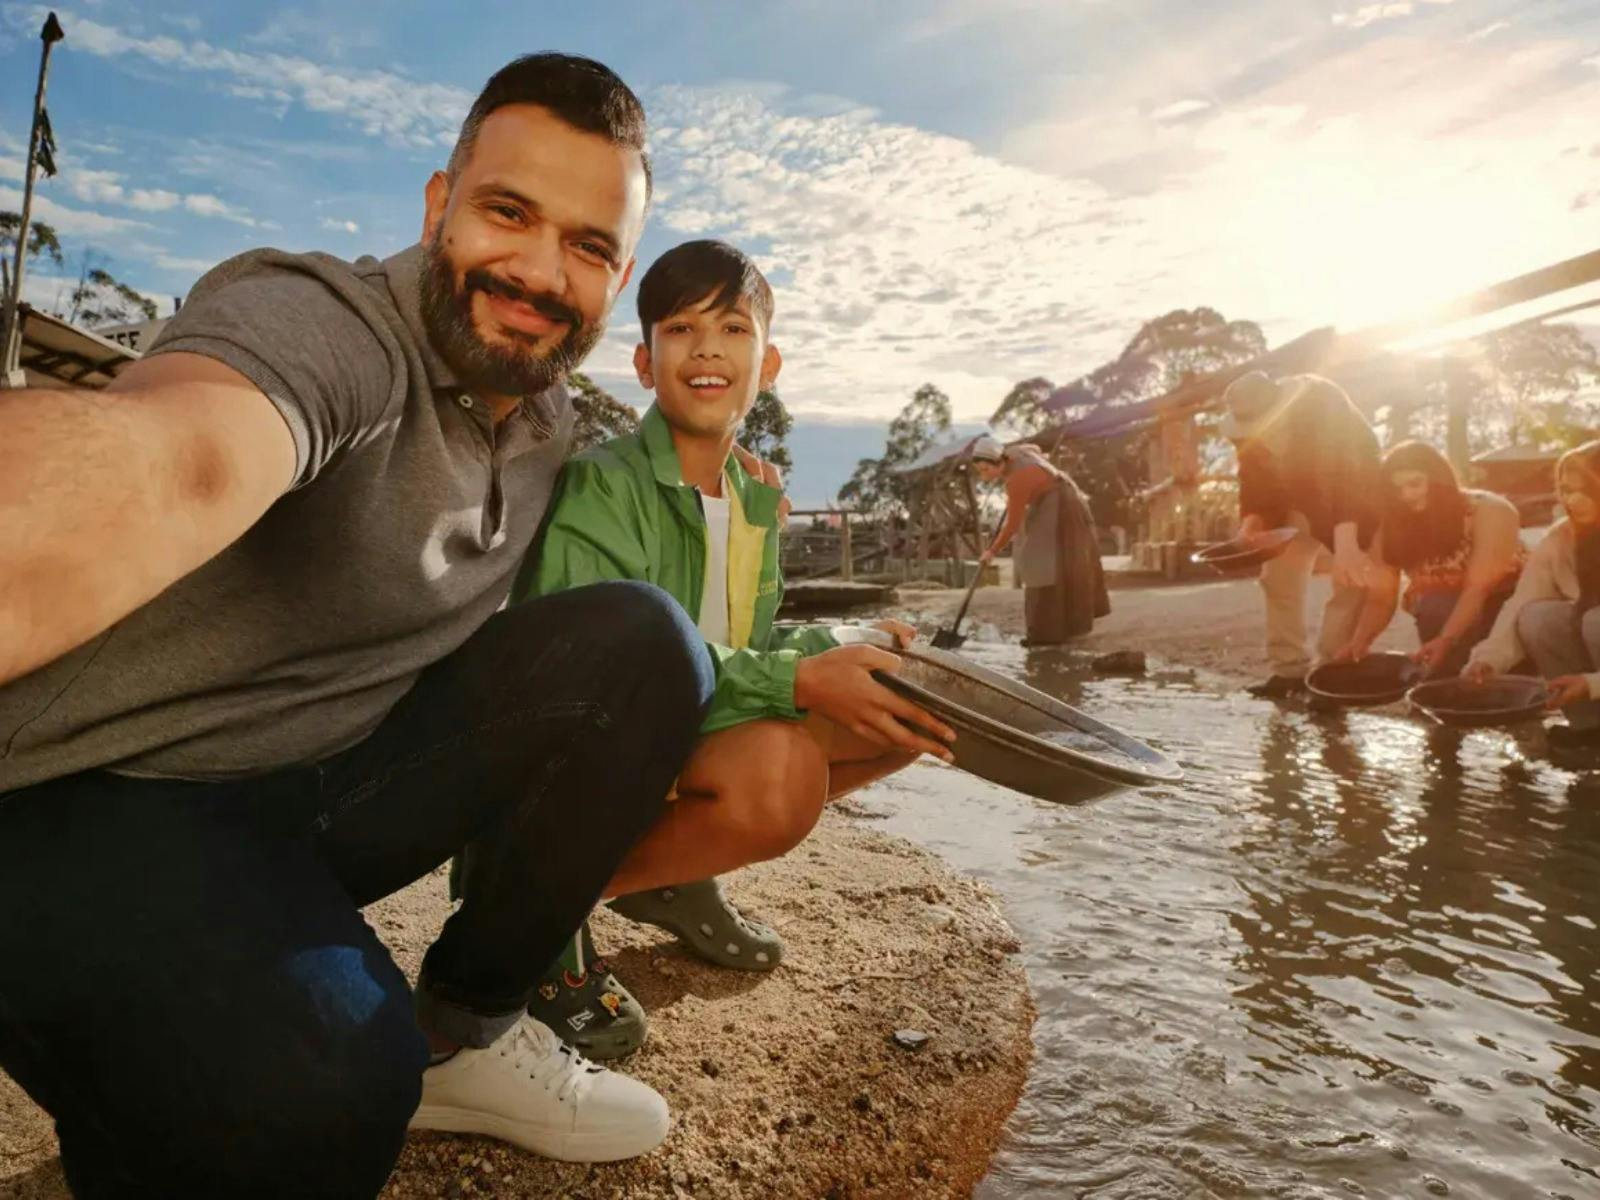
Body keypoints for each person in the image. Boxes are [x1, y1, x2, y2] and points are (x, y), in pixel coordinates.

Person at [1, 54, 743, 1195]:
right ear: (439, 206)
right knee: (326, 1078)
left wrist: (797, 671)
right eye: (508, 213)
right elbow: (176, 456)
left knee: (645, 647)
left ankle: (465, 1033)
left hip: (297, 794)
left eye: (588, 247)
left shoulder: (543, 422)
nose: (543, 273)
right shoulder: (327, 326)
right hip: (82, 800)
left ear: (617, 274)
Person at [500, 239, 953, 1056]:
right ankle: (533, 914)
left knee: (905, 711)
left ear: (766, 363)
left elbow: (744, 641)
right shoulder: (603, 486)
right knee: (780, 778)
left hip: (681, 729)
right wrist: (802, 680)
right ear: (644, 362)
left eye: (734, 328)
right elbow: (589, 674)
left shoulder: (752, 498)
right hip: (580, 761)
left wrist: (855, 644)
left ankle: (671, 879)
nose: (708, 347)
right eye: (681, 328)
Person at [1220, 371, 1382, 698]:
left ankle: (1330, 674)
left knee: (1350, 581)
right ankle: (1289, 670)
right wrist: (1251, 523)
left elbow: (1345, 472)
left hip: (1356, 495)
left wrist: (1347, 542)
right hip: (1294, 502)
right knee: (1277, 578)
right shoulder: (1244, 424)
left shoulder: (1321, 403)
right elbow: (1253, 478)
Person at [1332, 441, 1524, 677]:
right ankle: (1448, 680)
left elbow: (1478, 588)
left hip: (1503, 601)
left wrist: (1446, 639)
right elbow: (1381, 596)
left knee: (1442, 607)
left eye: (1415, 483)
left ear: (1437, 479)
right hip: (1443, 606)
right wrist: (1360, 642)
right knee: (1435, 603)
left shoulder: (1489, 509)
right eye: (1396, 489)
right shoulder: (1391, 523)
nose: (1406, 495)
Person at [1465, 440, 1600, 749]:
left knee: (1595, 620)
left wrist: (1591, 684)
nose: (1573, 500)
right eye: (1565, 489)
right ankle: (1590, 729)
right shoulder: (1563, 536)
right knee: (1538, 617)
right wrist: (1489, 660)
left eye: (1587, 490)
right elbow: (1521, 603)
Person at [972, 437, 1109, 644]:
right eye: (980, 471)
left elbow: (1013, 525)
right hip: (1060, 498)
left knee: (1039, 562)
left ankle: (1045, 633)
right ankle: (1063, 628)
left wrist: (991, 551)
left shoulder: (1016, 481)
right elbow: (1034, 448)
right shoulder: (1016, 453)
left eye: (985, 469)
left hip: (1063, 505)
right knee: (1055, 562)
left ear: (998, 462)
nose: (983, 476)